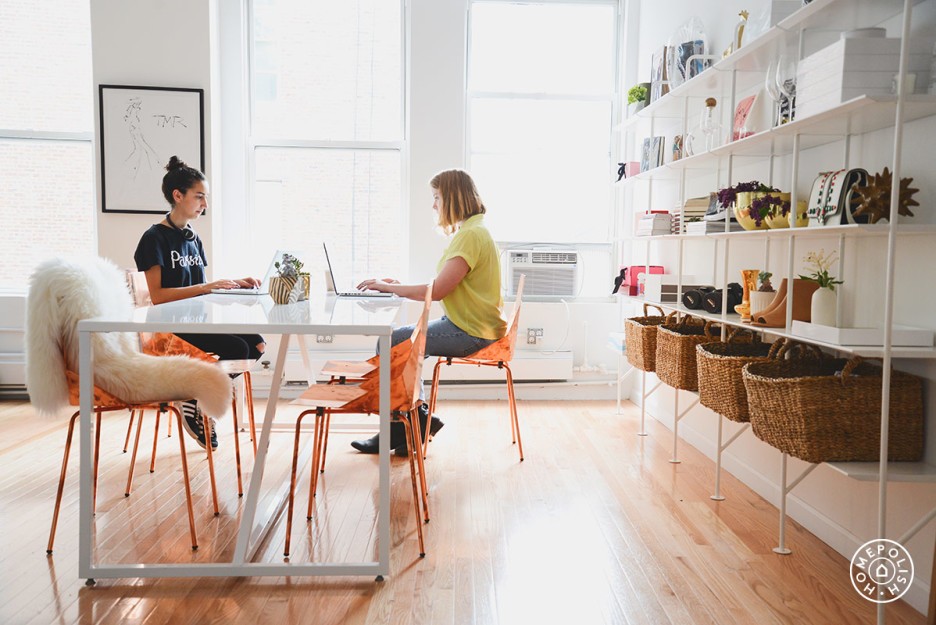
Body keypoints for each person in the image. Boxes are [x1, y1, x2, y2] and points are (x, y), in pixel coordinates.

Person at [351, 169, 507, 456]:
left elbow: (438, 290)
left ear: (453, 198)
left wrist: (390, 288)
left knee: (392, 341)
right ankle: (412, 422)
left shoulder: (471, 235)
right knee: (398, 341)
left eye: (437, 197)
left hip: (472, 331)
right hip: (471, 325)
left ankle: (406, 423)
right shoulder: (474, 230)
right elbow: (443, 284)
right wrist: (398, 286)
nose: (434, 205)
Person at [134, 156, 266, 450]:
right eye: (199, 196)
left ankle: (196, 397)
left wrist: (234, 283)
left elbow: (201, 291)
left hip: (196, 319)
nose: (205, 204)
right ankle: (198, 402)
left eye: (205, 197)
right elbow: (158, 297)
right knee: (237, 348)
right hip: (169, 326)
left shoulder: (192, 238)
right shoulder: (153, 239)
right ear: (178, 195)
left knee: (256, 344)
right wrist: (207, 286)